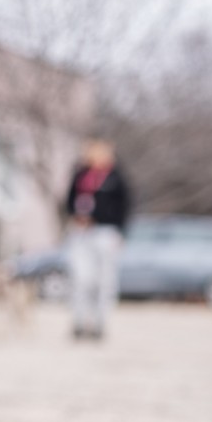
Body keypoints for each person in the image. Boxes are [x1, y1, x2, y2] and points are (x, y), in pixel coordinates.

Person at [64, 137, 130, 340]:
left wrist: (120, 231)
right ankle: (80, 321)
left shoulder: (115, 178)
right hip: (81, 232)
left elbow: (125, 206)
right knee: (81, 279)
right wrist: (77, 216)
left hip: (105, 231)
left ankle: (100, 323)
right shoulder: (80, 175)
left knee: (105, 281)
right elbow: (69, 201)